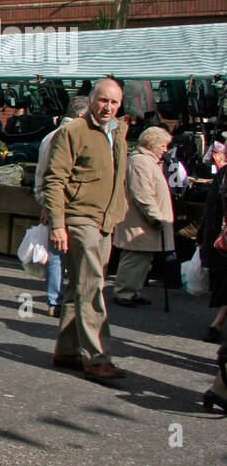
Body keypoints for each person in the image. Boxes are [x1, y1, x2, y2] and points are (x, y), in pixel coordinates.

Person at [42, 78, 128, 383]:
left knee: (79, 286)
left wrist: (117, 216)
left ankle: (67, 351)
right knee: (92, 288)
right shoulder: (73, 131)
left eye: (114, 102)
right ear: (92, 99)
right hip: (81, 219)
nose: (108, 107)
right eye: (103, 100)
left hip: (105, 221)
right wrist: (58, 224)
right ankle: (96, 357)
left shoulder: (119, 132)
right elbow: (55, 179)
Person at [34, 96, 91, 317]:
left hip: (50, 200)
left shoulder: (49, 136)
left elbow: (43, 174)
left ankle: (53, 301)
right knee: (74, 252)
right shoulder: (74, 136)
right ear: (81, 115)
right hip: (70, 203)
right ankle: (67, 300)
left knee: (56, 253)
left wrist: (45, 204)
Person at [112, 127, 174, 307]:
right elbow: (143, 194)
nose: (165, 149)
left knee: (141, 259)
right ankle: (124, 293)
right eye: (162, 145)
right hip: (140, 222)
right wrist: (155, 217)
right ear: (152, 144)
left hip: (143, 222)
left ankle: (132, 291)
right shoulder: (140, 162)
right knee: (134, 258)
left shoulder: (147, 161)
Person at [200, 167, 227, 344]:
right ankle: (216, 325)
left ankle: (216, 324)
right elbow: (212, 209)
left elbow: (211, 208)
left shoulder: (223, 174)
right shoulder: (223, 174)